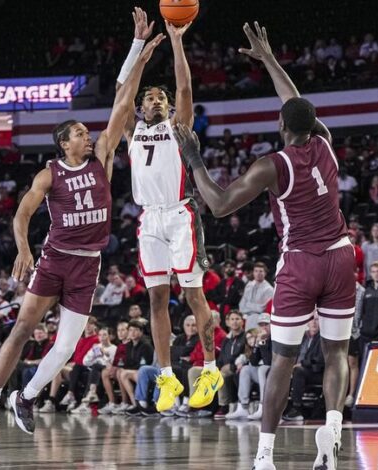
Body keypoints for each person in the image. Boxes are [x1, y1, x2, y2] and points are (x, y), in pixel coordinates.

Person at [0, 9, 164, 438]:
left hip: (88, 264)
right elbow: (21, 214)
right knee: (23, 328)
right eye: (79, 132)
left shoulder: (103, 158)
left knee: (68, 344)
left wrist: (139, 54)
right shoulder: (48, 174)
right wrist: (23, 248)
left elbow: (121, 102)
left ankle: (27, 395)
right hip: (55, 258)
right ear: (64, 142)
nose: (87, 135)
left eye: (85, 131)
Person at [174, 21, 356, 470]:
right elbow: (295, 105)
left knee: (283, 362)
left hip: (301, 263)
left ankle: (265, 455)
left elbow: (216, 204)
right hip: (341, 257)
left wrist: (193, 154)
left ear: (280, 125)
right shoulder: (327, 145)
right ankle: (332, 431)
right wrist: (270, 59)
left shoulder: (272, 165)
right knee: (336, 353)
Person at [124, 16, 222, 414]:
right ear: (140, 106)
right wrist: (139, 56)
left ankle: (211, 368)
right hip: (149, 219)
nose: (156, 101)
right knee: (156, 297)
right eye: (150, 98)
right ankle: (167, 375)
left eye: (160, 99)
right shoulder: (131, 129)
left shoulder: (179, 127)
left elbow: (184, 87)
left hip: (180, 215)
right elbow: (122, 91)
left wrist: (177, 42)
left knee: (194, 293)